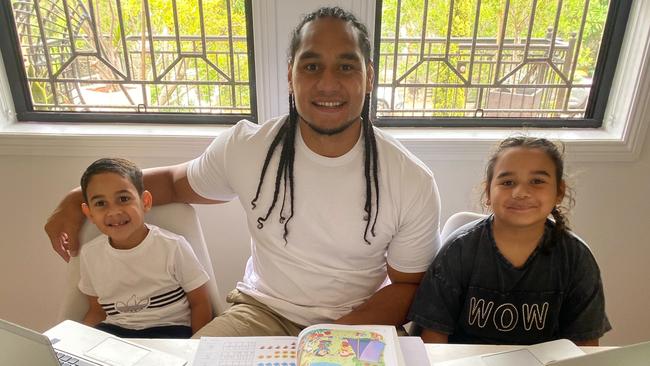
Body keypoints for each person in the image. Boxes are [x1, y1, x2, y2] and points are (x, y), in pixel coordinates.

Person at [45, 7, 441, 337]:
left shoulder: (410, 179)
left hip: (357, 324)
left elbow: (408, 284)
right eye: (312, 65)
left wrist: (328, 338)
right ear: (291, 75)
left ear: (368, 76)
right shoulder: (248, 147)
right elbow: (170, 184)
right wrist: (74, 198)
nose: (327, 83)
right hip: (259, 313)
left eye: (346, 66)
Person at [408, 137, 611, 345]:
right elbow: (433, 337)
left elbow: (586, 345)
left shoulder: (576, 259)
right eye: (507, 182)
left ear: (559, 191)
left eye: (537, 181)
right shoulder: (458, 251)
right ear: (488, 192)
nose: (521, 192)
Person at [77, 158, 213, 338]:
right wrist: (79, 342)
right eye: (101, 203)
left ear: (145, 202)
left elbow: (200, 303)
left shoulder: (172, 246)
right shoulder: (90, 254)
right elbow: (97, 310)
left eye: (123, 199)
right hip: (117, 334)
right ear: (89, 213)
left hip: (170, 331)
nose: (114, 212)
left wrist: (196, 346)